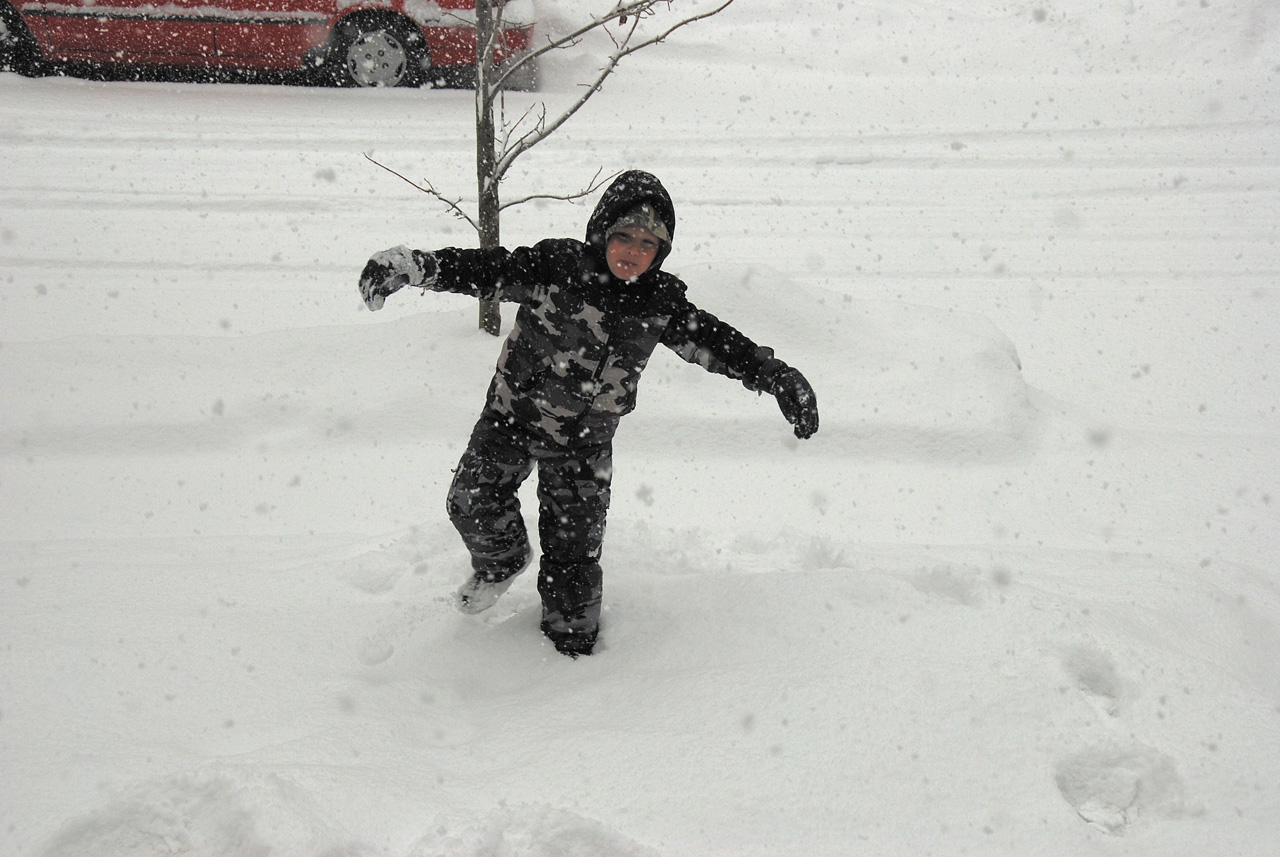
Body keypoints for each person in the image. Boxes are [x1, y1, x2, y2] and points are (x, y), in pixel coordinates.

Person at [358, 171, 817, 657]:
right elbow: (484, 269)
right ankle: (501, 562)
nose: (633, 251)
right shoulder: (557, 266)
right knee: (470, 503)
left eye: (647, 243)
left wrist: (777, 377)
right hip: (510, 419)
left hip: (583, 447)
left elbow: (718, 343)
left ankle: (574, 671)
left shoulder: (660, 304)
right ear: (601, 231)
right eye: (623, 236)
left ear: (660, 252)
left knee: (573, 568)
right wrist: (415, 267)